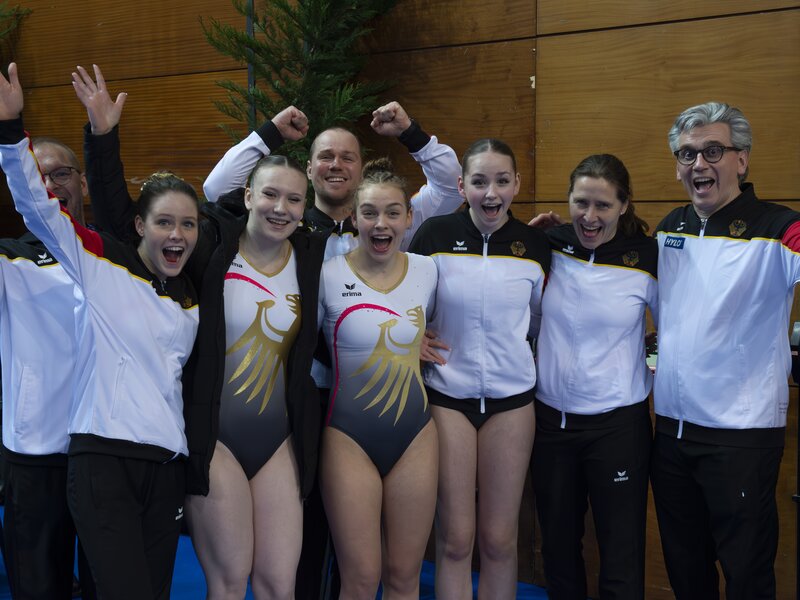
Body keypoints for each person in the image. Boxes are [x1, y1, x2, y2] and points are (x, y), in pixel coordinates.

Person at [71, 64, 327, 598]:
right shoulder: (208, 249)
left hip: (279, 440)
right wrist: (102, 136)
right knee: (230, 582)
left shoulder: (311, 257)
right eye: (270, 195)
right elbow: (124, 221)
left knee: (281, 584)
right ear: (248, 196)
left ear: (306, 210)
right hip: (217, 440)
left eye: (294, 200)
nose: (281, 208)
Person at [203, 100, 462, 598]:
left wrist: (412, 133)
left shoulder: (403, 238)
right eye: (325, 157)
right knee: (307, 546)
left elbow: (450, 188)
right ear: (309, 169)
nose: (336, 165)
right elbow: (218, 191)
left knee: (374, 566)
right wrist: (269, 134)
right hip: (308, 399)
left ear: (362, 170)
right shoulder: (294, 235)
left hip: (384, 403)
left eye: (347, 157)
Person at [0, 63, 202, 599]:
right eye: (164, 222)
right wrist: (8, 130)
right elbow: (35, 204)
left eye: (61, 173)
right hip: (45, 451)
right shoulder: (25, 260)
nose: (51, 184)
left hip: (136, 457)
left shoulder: (142, 275)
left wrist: (101, 134)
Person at [650, 102, 800, 598]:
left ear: (742, 159)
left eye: (713, 151)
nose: (698, 164)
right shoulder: (670, 226)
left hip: (741, 434)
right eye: (687, 154)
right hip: (670, 431)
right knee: (686, 573)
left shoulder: (779, 228)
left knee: (747, 576)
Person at [408, 139, 551, 599]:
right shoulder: (431, 237)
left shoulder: (533, 245)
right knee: (455, 540)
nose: (491, 193)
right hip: (448, 399)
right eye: (479, 181)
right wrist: (413, 336)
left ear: (517, 184)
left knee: (498, 539)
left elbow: (538, 319)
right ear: (461, 184)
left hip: (511, 405)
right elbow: (409, 305)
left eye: (502, 181)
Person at [531, 154, 657, 599]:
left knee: (620, 554)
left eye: (603, 205)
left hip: (618, 427)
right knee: (559, 550)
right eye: (580, 202)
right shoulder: (548, 244)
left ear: (624, 205)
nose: (589, 216)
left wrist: (650, 366)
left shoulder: (646, 257)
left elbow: (674, 330)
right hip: (550, 425)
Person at [317, 158, 438, 599]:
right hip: (348, 437)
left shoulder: (428, 270)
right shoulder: (327, 276)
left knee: (405, 576)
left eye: (392, 212)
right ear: (354, 216)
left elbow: (430, 327)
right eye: (369, 212)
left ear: (409, 216)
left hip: (415, 437)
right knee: (362, 577)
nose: (380, 223)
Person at [0, 128, 95, 599]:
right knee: (39, 586)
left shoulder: (116, 258)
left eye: (62, 173)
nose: (52, 184)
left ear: (84, 184)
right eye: (39, 176)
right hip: (35, 452)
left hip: (105, 451)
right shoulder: (7, 259)